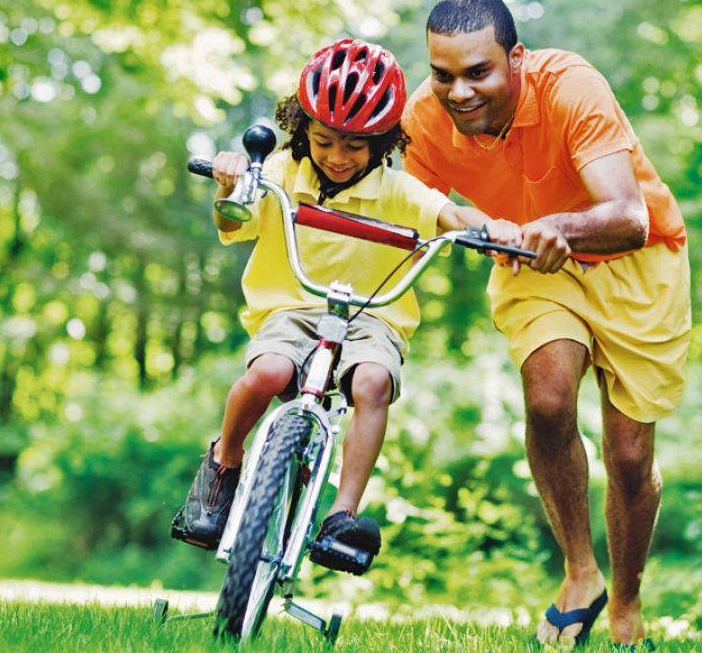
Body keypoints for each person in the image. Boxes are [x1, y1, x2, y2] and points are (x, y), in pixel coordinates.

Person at [401, 0, 692, 648]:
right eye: (443, 74)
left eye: (479, 72)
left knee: (629, 457)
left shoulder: (571, 87)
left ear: (517, 60)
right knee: (549, 396)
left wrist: (553, 225)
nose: (459, 92)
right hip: (532, 265)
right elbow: (409, 210)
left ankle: (626, 597)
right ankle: (580, 571)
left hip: (638, 261)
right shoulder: (424, 117)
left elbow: (628, 215)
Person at [172, 38, 520, 572]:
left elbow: (452, 216)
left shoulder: (400, 192)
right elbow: (232, 225)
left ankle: (342, 515)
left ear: (382, 143)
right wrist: (231, 186)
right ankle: (225, 461)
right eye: (325, 140)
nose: (337, 157)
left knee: (372, 383)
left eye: (356, 145)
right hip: (290, 308)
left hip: (372, 317)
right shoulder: (282, 172)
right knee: (266, 373)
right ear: (301, 129)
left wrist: (492, 227)